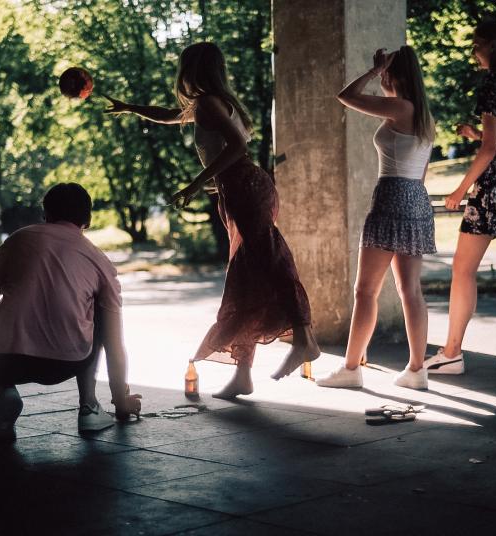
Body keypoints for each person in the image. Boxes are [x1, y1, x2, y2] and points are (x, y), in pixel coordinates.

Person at [67, 42, 319, 399]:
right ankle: (243, 373)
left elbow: (236, 148)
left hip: (246, 187)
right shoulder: (211, 104)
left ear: (191, 70)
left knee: (269, 260)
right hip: (240, 191)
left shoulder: (208, 104)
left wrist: (196, 183)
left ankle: (304, 336)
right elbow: (170, 115)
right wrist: (130, 108)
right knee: (246, 279)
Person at [0, 183, 142, 442]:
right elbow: (114, 344)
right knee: (100, 316)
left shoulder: (19, 238)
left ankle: (5, 392)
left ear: (45, 214)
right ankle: (89, 407)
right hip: (65, 363)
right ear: (88, 219)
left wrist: (7, 314)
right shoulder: (100, 262)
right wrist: (122, 402)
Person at [315, 46, 436, 391]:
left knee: (365, 290)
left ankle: (351, 369)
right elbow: (421, 171)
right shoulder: (421, 114)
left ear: (393, 72)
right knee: (410, 290)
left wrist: (372, 71)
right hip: (415, 198)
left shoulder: (400, 109)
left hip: (391, 198)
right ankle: (416, 370)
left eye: (387, 72)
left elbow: (346, 96)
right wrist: (384, 76)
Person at [424, 18, 496, 375]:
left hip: (493, 190)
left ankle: (453, 351)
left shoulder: (492, 83)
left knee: (462, 268)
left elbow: (490, 150)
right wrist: (476, 134)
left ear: (490, 44)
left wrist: (460, 190)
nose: (474, 53)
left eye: (475, 46)